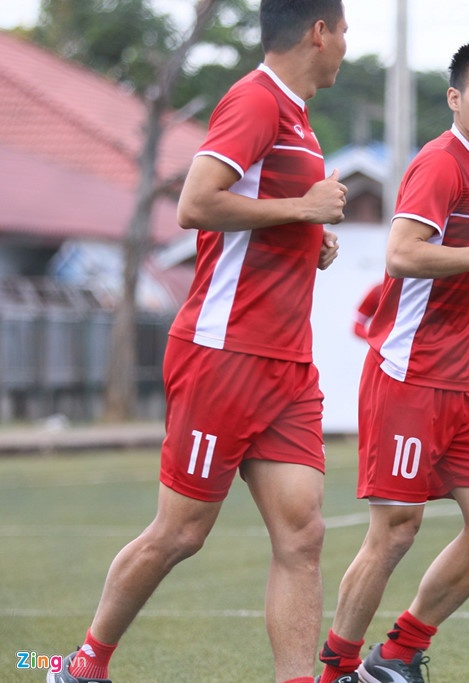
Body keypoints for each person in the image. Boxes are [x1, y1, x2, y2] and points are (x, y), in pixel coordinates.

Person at [48, 3, 349, 682]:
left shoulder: (298, 119)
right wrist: (301, 210)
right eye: (346, 32)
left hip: (287, 364)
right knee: (181, 531)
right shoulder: (255, 100)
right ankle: (80, 665)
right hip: (226, 354)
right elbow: (195, 203)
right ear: (319, 32)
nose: (345, 48)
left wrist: (309, 239)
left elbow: (255, 217)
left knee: (303, 532)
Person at [317, 37, 469, 683]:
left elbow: (453, 259)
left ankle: (397, 652)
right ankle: (337, 671)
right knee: (394, 531)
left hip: (464, 382)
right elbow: (403, 254)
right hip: (409, 376)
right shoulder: (441, 163)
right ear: (455, 98)